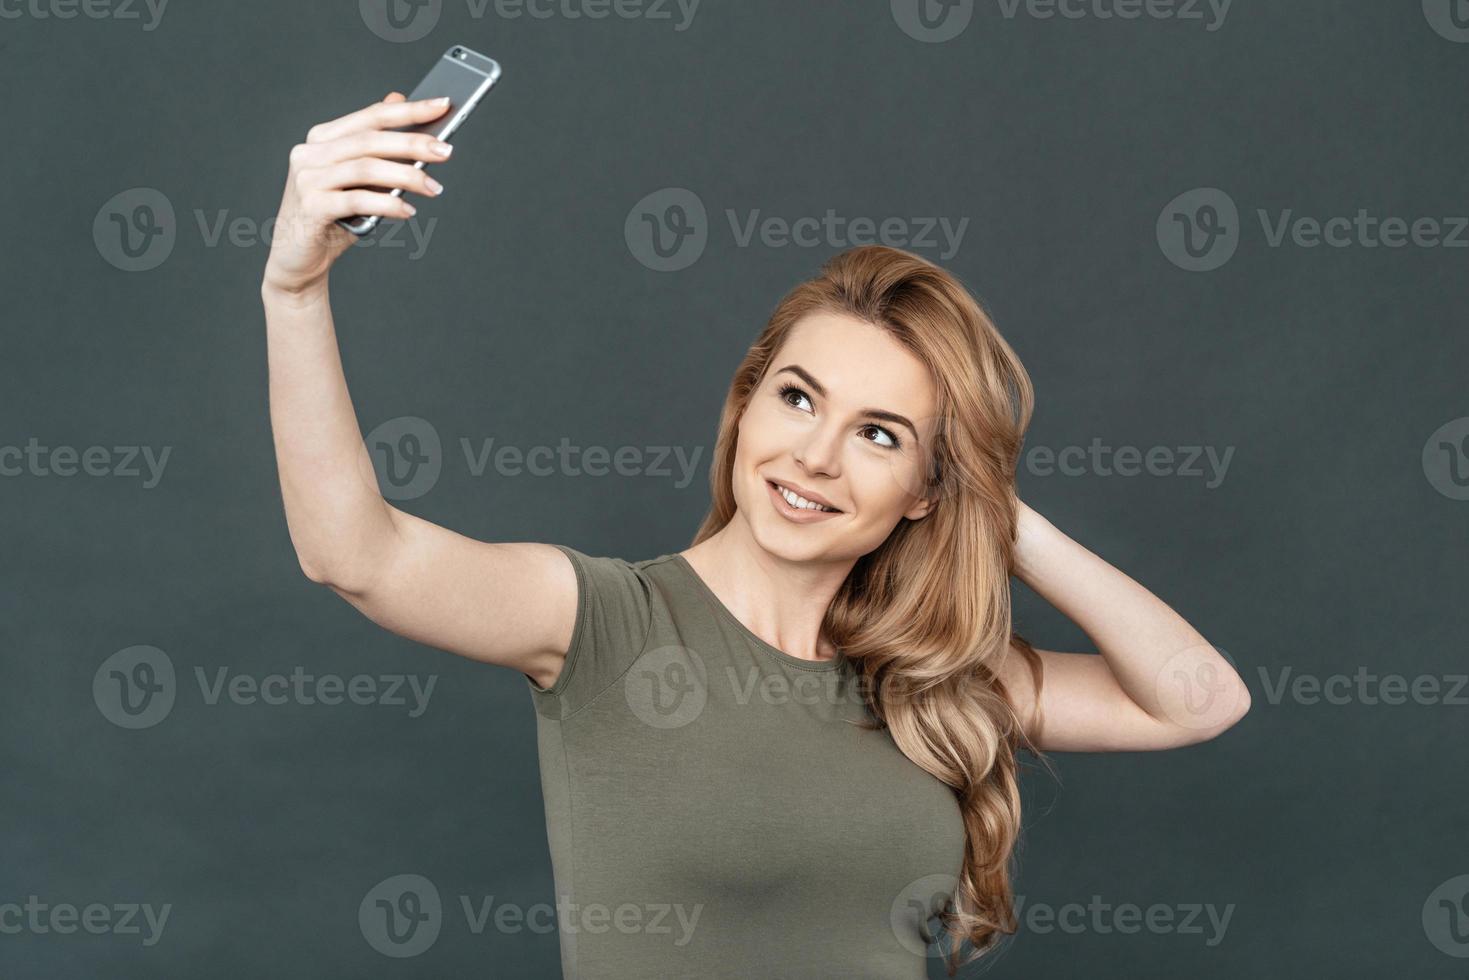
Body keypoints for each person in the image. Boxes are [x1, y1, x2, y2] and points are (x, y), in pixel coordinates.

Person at [262, 93, 1252, 978]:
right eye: (796, 397)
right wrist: (294, 292)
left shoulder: (927, 673)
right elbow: (354, 552)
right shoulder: (604, 621)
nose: (815, 455)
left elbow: (1198, 698)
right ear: (746, 407)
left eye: (878, 434)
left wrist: (992, 509)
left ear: (923, 487)